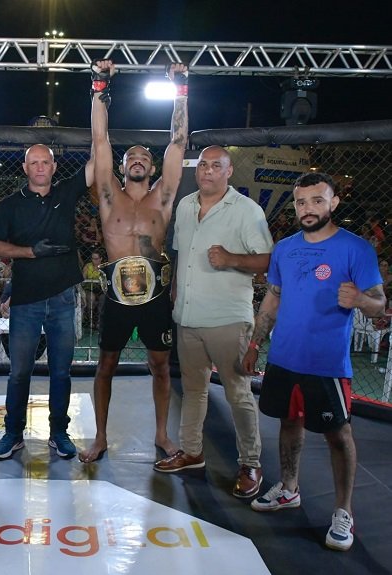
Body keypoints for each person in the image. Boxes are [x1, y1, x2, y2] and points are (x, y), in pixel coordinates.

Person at [243, 172, 385, 552]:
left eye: (317, 201)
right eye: (301, 202)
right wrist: (255, 342)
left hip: (327, 363)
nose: (308, 209)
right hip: (284, 357)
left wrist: (361, 300)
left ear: (333, 202)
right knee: (289, 422)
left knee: (339, 435)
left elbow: (379, 304)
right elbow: (273, 297)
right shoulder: (285, 249)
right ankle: (289, 489)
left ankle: (344, 511)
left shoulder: (356, 249)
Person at [78, 60, 189, 463]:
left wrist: (181, 90)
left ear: (153, 167)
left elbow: (178, 142)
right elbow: (100, 139)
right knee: (105, 365)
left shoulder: (163, 196)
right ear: (123, 166)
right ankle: (100, 437)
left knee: (160, 367)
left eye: (144, 156)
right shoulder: (109, 196)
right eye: (131, 156)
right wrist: (99, 88)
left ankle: (161, 434)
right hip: (116, 297)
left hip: (155, 297)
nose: (137, 159)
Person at [154, 145, 273, 500]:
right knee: (194, 390)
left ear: (229, 171)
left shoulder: (247, 210)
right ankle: (192, 452)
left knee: (238, 393)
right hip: (188, 316)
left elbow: (268, 260)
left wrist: (232, 258)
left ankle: (251, 463)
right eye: (203, 165)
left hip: (227, 318)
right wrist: (176, 290)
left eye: (215, 166)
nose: (207, 171)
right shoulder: (186, 205)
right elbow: (181, 255)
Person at [0, 140, 94, 461]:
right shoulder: (10, 205)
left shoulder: (66, 192)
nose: (40, 167)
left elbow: (96, 163)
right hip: (26, 299)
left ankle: (58, 432)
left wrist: (99, 115)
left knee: (61, 372)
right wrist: (30, 252)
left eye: (45, 161)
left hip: (62, 297)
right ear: (25, 168)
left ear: (54, 166)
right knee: (20, 372)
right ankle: (13, 433)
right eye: (34, 162)